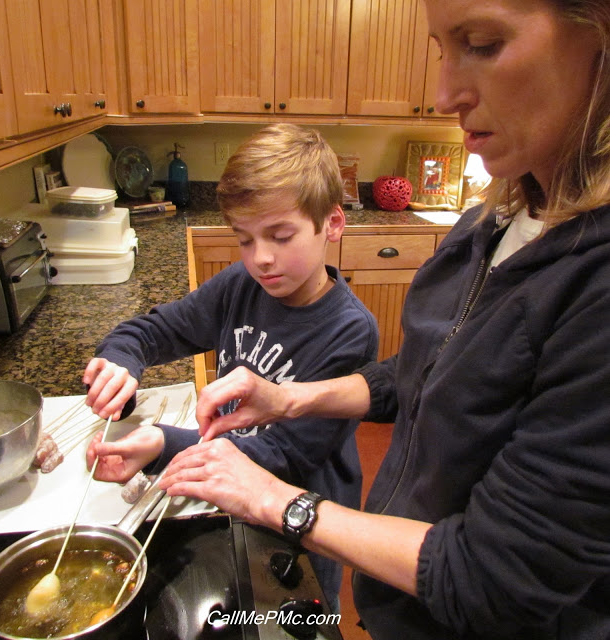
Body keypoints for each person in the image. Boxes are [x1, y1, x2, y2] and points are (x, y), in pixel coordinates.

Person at [155, 1, 610, 638]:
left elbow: (496, 579)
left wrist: (274, 499)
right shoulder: (498, 216)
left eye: (480, 43)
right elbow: (428, 371)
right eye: (440, 50)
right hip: (404, 602)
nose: (443, 91)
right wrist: (288, 399)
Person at [82, 123, 379, 611]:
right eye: (245, 239)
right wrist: (121, 361)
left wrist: (162, 444)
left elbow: (286, 457)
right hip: (227, 496)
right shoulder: (240, 285)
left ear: (332, 224)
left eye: (281, 236)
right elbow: (154, 330)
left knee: (294, 616)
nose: (261, 259)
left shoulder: (349, 330)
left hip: (297, 520)